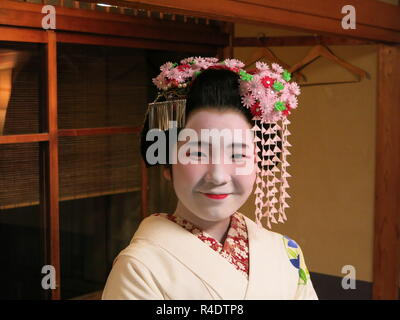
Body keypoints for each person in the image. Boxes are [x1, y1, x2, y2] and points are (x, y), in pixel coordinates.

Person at [102, 57, 318, 300]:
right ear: (166, 162)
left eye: (238, 154)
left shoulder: (285, 252)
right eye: (196, 153)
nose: (217, 175)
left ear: (260, 161)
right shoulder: (139, 267)